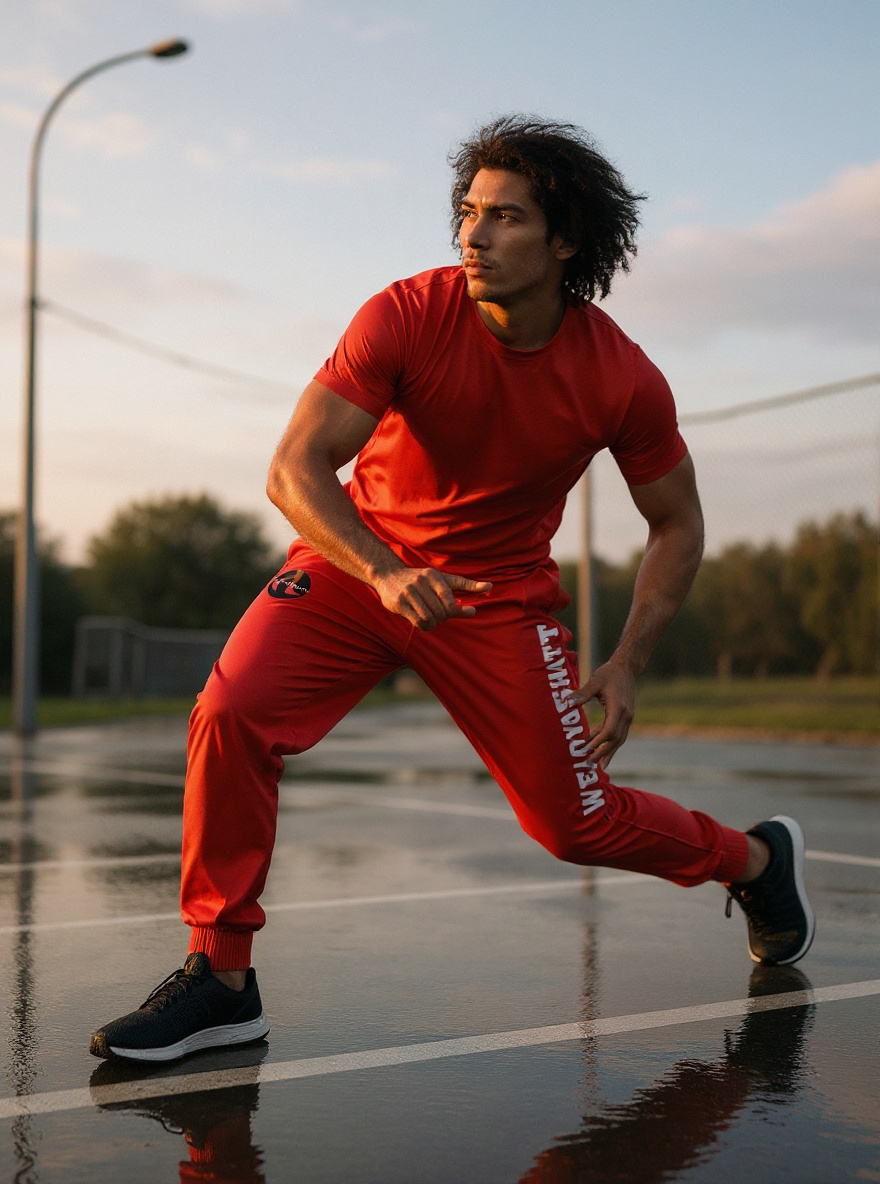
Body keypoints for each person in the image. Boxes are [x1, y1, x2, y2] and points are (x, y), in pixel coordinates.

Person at [90, 116, 814, 1063]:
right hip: (357, 565)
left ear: (566, 241)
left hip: (495, 600)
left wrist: (629, 660)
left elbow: (678, 523)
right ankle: (221, 978)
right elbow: (294, 469)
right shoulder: (405, 313)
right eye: (468, 212)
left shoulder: (621, 378)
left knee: (575, 825)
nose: (473, 235)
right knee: (229, 712)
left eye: (505, 217)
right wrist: (383, 569)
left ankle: (755, 860)